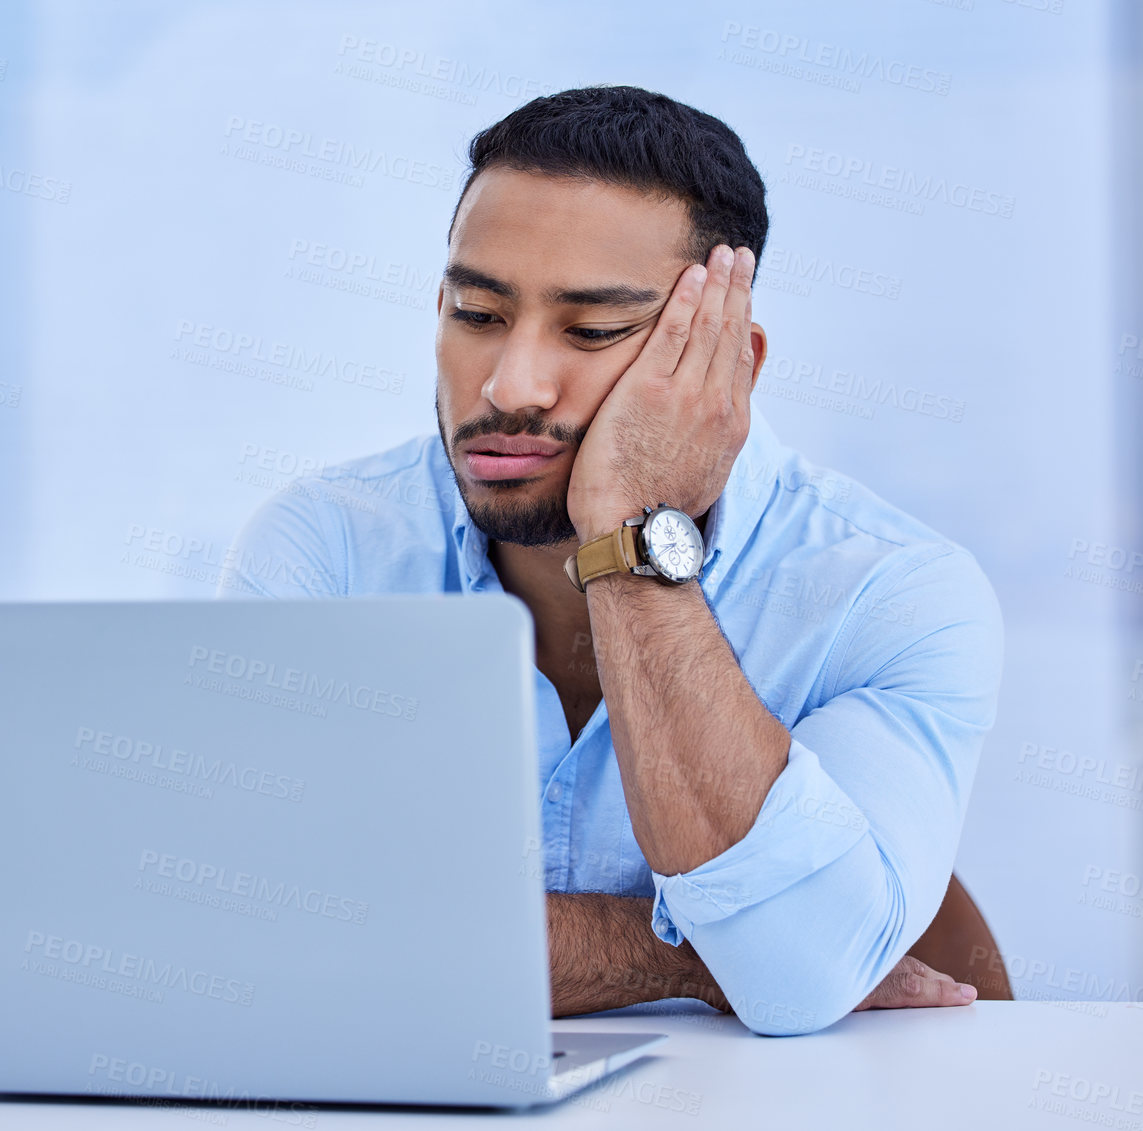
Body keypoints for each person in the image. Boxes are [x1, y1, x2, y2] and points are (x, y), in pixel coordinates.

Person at [215, 85, 1002, 1036]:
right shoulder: (326, 548)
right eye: (475, 312)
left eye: (590, 332)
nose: (509, 385)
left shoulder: (889, 590)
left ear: (728, 363)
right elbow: (257, 930)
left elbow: (792, 980)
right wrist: (697, 953)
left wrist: (627, 535)